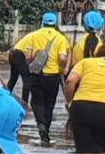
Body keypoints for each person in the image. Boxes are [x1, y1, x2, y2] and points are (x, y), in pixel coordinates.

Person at [11, 11, 70, 145]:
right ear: (55, 24)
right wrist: (63, 65)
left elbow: (28, 57)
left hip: (37, 75)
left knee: (37, 102)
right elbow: (62, 57)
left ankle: (41, 125)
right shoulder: (61, 38)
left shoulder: (33, 36)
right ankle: (46, 132)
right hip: (53, 77)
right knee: (49, 105)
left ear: (42, 22)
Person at [65, 39, 105, 153]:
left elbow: (70, 81)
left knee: (82, 152)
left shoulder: (86, 62)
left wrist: (69, 102)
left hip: (80, 106)